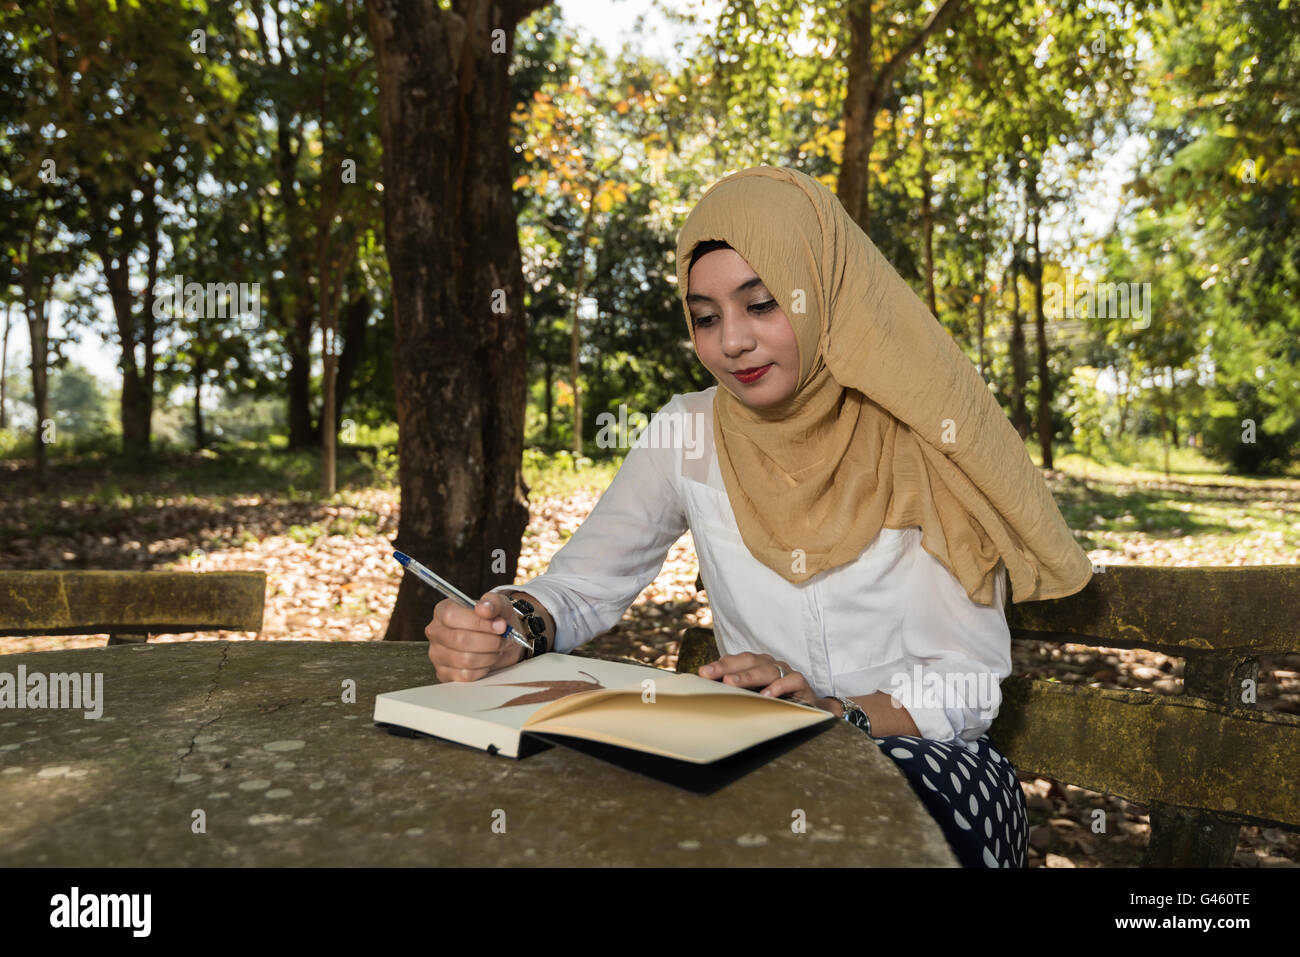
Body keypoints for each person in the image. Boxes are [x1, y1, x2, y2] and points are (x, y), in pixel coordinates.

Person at [424, 166, 1094, 868]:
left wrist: (831, 712)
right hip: (758, 762)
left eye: (763, 303)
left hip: (929, 767)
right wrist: (508, 624)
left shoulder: (921, 437)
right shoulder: (687, 430)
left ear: (823, 293)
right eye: (706, 317)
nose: (731, 341)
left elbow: (964, 679)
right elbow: (584, 586)